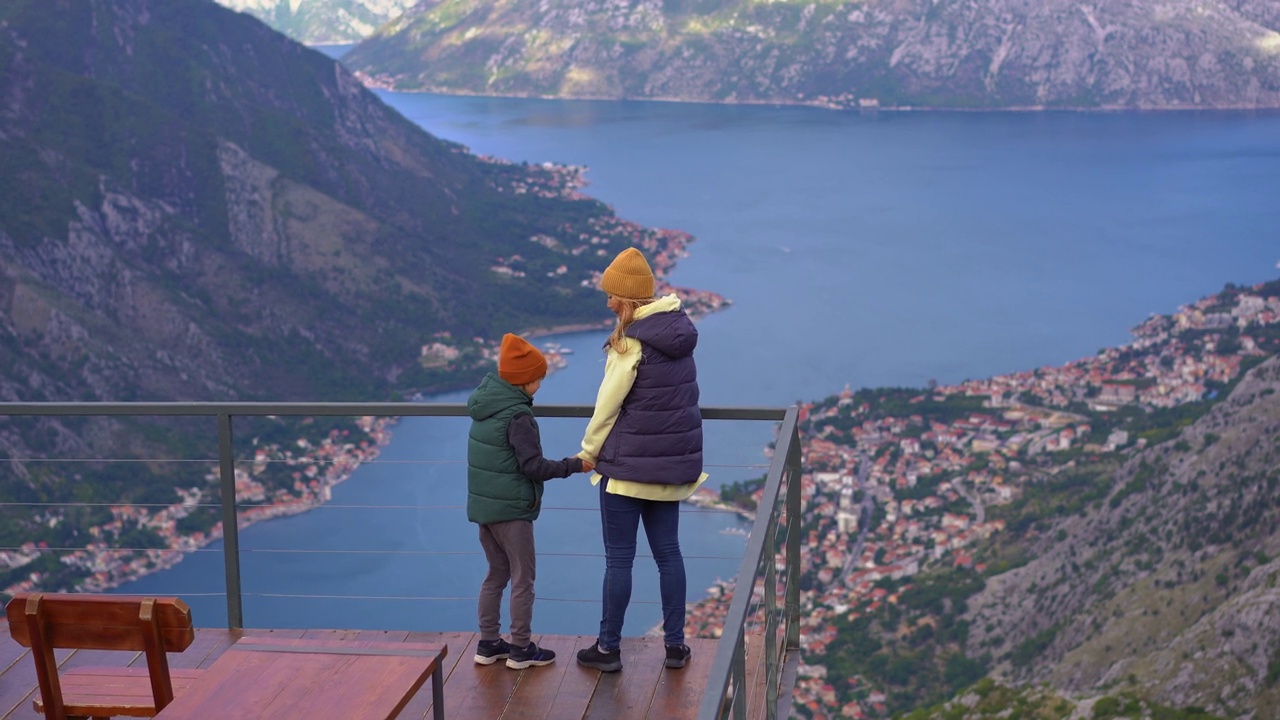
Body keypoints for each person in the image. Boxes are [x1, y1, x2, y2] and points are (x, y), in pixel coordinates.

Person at [575, 247, 705, 673]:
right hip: (669, 470)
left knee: (619, 560)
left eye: (613, 296)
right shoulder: (679, 335)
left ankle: (609, 649)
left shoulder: (631, 342)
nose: (608, 302)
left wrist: (589, 452)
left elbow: (607, 405)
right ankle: (675, 646)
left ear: (629, 300)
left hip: (628, 470)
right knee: (669, 554)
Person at [466, 332, 591, 669]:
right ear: (524, 380)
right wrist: (574, 465)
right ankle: (521, 648)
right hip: (512, 511)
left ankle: (489, 643)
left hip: (485, 509)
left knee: (496, 574)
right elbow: (532, 466)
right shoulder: (518, 417)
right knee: (523, 578)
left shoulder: (485, 406)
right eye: (538, 377)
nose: (541, 382)